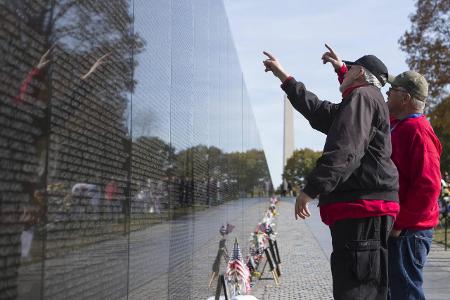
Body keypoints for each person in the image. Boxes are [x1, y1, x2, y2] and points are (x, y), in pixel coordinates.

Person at [263, 49, 400, 300]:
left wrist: (311, 188)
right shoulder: (364, 98)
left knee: (357, 291)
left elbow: (346, 148)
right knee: (362, 286)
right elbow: (318, 111)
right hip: (364, 206)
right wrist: (285, 78)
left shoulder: (362, 98)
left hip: (363, 207)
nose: (343, 73)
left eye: (350, 70)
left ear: (359, 73)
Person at [322, 45, 442, 300]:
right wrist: (344, 72)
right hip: (399, 227)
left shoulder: (417, 131)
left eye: (392, 91)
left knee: (405, 293)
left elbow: (429, 186)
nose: (385, 95)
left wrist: (400, 225)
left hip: (409, 232)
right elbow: (365, 106)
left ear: (406, 98)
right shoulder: (399, 124)